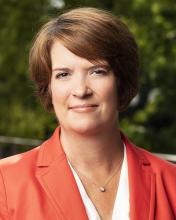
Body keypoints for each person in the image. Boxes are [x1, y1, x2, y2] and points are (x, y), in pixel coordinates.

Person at [0, 7, 175, 220]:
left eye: (97, 71)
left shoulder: (171, 182)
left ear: (120, 80)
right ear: (49, 86)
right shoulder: (6, 183)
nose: (81, 90)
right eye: (63, 74)